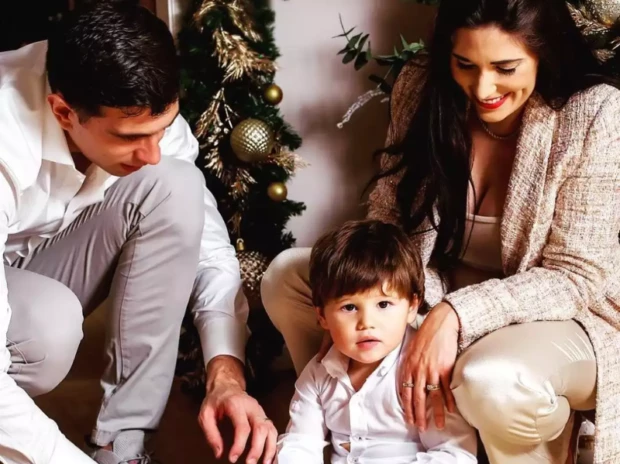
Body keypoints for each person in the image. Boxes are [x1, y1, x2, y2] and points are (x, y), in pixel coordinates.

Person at [261, 0, 620, 463]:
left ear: (544, 53)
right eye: (465, 64)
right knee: (289, 276)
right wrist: (363, 304)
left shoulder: (593, 113)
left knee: (491, 380)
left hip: (559, 313)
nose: (482, 88)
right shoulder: (422, 86)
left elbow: (575, 276)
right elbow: (389, 215)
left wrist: (455, 314)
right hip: (434, 289)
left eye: (505, 68)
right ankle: (350, 424)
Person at [0, 2, 276, 464]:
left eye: (161, 130)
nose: (151, 154)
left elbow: (207, 249)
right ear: (64, 112)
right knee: (47, 331)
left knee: (176, 183)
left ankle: (122, 446)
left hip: (28, 262)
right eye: (129, 138)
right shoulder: (6, 132)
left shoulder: (145, 112)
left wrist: (226, 375)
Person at [275, 220, 477, 464]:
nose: (366, 323)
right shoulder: (319, 373)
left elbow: (455, 455)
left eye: (383, 304)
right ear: (322, 317)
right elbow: (300, 443)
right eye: (349, 307)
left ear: (412, 307)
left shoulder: (421, 372)